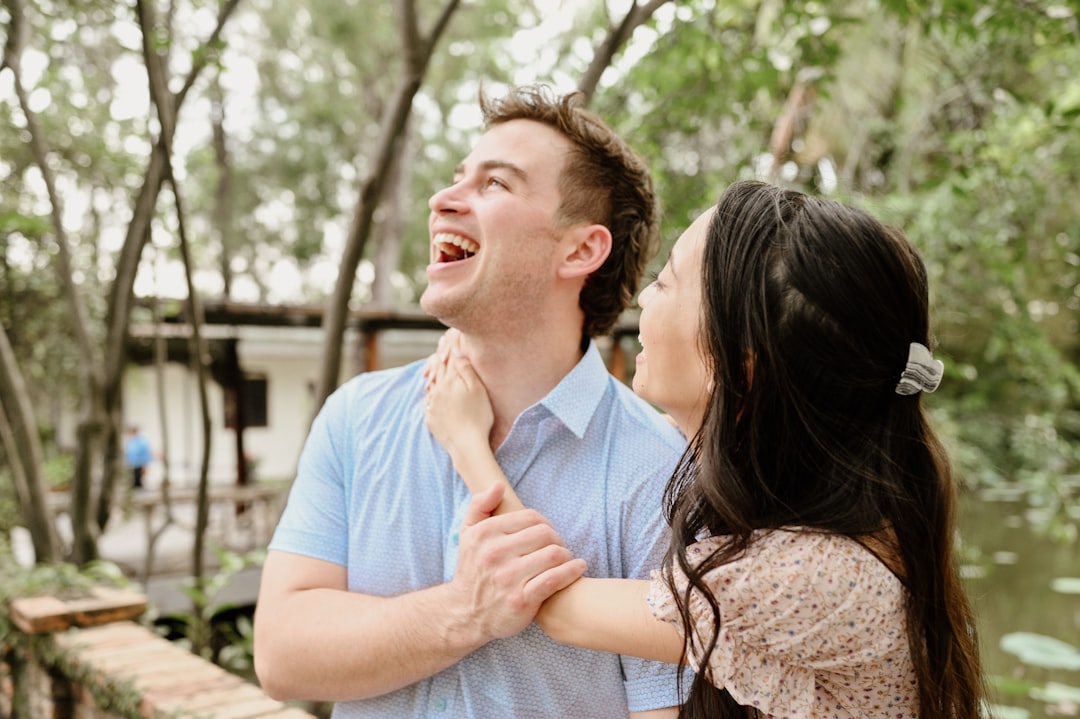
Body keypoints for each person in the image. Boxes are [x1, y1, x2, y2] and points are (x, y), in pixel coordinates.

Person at [425, 180, 986, 718]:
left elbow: (556, 606)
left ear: (738, 367)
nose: (644, 296)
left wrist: (466, 441)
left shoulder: (808, 575)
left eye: (667, 282)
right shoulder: (815, 527)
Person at [253, 85, 688, 718]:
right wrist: (465, 610)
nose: (441, 200)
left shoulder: (662, 469)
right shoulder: (356, 417)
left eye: (495, 184)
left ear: (581, 249)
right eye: (458, 177)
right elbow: (282, 656)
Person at [123, 425, 152, 490]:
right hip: (132, 463)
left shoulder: (142, 441)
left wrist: (145, 464)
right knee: (133, 480)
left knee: (138, 479)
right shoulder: (131, 441)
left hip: (139, 463)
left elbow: (145, 452)